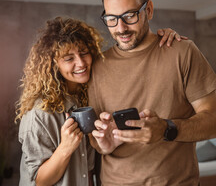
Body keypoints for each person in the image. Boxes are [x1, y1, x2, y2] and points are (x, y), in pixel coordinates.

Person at [88, 0, 216, 186]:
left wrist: (167, 129)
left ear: (148, 10)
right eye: (111, 19)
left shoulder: (182, 52)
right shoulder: (96, 66)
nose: (120, 28)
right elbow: (95, 140)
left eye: (129, 15)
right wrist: (103, 145)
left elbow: (214, 123)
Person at [16, 16, 181, 186]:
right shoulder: (39, 114)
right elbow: (38, 181)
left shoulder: (89, 97)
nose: (80, 63)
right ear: (53, 65)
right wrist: (65, 147)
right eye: (69, 58)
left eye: (83, 53)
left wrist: (163, 40)